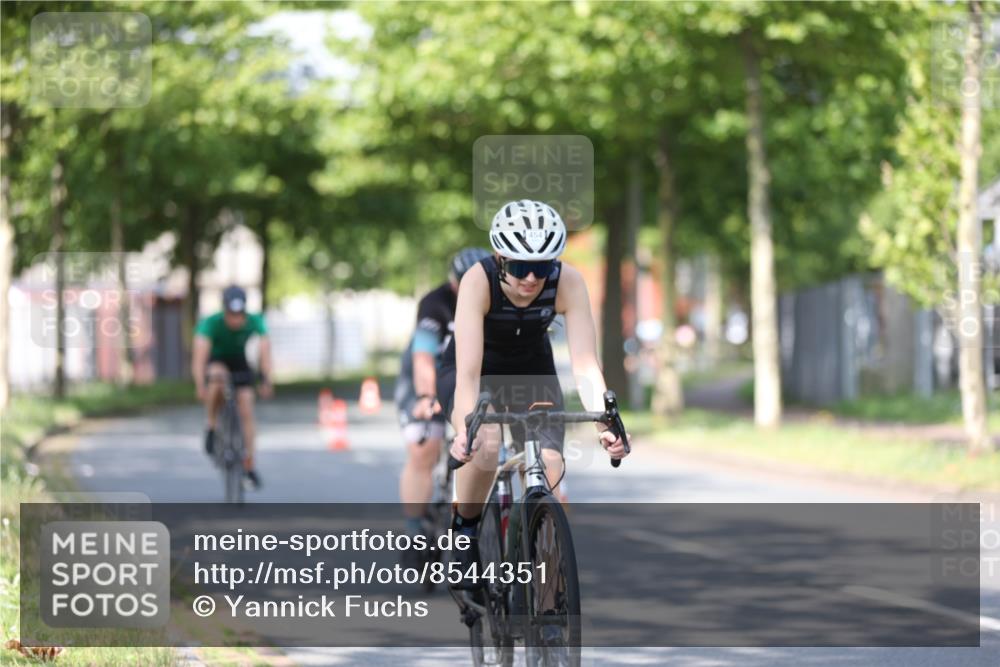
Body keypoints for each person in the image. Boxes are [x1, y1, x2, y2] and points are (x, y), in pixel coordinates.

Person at [437, 199, 630, 573]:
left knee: (551, 464)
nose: (530, 279)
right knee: (486, 442)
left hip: (531, 371)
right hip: (476, 370)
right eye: (520, 266)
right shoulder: (478, 280)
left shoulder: (567, 282)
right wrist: (466, 429)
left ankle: (546, 599)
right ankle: (465, 532)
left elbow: (586, 364)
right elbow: (468, 375)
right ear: (499, 258)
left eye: (541, 268)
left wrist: (604, 424)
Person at [396, 248, 491, 544]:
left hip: (474, 378)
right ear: (453, 281)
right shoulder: (434, 303)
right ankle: (414, 531)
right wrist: (426, 396)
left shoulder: (494, 297)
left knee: (486, 442)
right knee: (424, 449)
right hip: (429, 377)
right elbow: (423, 356)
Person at [192, 285, 273, 489]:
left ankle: (249, 466)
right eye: (231, 314)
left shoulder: (255, 321)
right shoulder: (211, 323)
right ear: (224, 310)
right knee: (218, 378)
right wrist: (200, 384)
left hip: (239, 360)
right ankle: (211, 425)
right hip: (217, 359)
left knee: (246, 407)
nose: (236, 320)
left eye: (240, 314)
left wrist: (265, 379)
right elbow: (200, 357)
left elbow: (265, 351)